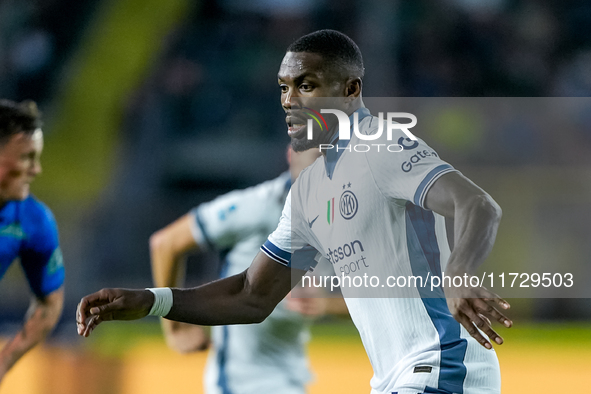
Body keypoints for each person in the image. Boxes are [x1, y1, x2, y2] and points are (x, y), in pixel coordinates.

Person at [77, 30, 511, 394]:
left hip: (444, 367)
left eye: (306, 85)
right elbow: (251, 294)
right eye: (284, 87)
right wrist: (151, 301)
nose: (289, 100)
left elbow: (475, 204)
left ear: (350, 89)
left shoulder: (383, 145)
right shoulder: (308, 192)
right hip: (397, 377)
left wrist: (460, 273)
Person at [149, 146, 323, 394]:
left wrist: (327, 303)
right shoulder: (257, 207)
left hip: (290, 379)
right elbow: (165, 244)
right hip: (240, 382)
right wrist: (175, 328)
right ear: (291, 154)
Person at [0, 100, 65, 385]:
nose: (36, 169)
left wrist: (4, 362)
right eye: (27, 157)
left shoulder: (33, 220)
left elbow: (49, 304)